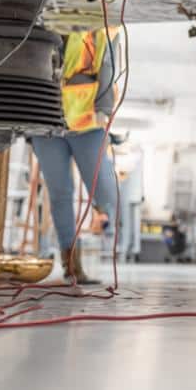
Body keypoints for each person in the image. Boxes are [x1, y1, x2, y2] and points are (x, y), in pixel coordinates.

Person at [31, 27, 122, 284]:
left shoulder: (102, 29)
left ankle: (102, 216)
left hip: (87, 121)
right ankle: (72, 265)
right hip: (46, 121)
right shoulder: (41, 24)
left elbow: (108, 64)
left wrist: (104, 107)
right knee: (60, 193)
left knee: (105, 190)